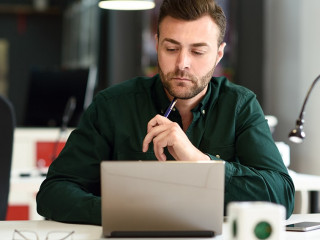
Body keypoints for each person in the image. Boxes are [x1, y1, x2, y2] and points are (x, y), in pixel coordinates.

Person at [36, 0, 295, 225]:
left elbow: (281, 195)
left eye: (197, 51)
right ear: (157, 45)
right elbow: (53, 192)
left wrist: (199, 162)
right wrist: (121, 213)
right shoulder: (112, 105)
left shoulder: (240, 105)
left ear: (218, 54)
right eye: (171, 49)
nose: (182, 63)